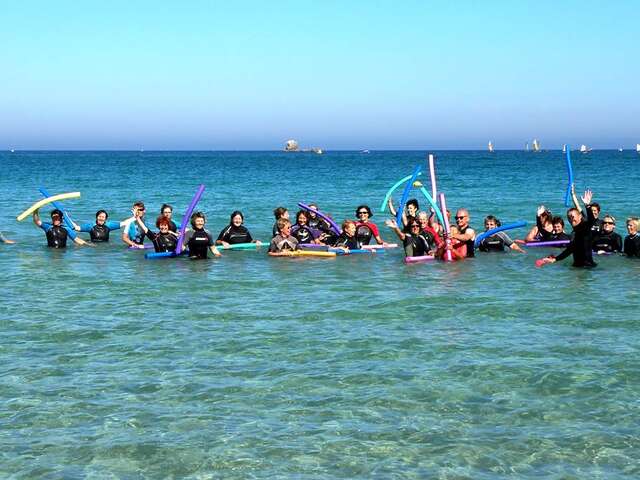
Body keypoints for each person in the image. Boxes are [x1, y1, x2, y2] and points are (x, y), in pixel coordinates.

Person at [538, 189, 598, 268]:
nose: (571, 219)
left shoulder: (585, 228)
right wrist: (555, 259)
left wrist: (587, 205)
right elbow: (570, 250)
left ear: (580, 216)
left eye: (573, 216)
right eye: (569, 217)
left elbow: (591, 221)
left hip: (587, 268)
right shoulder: (575, 233)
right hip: (577, 267)